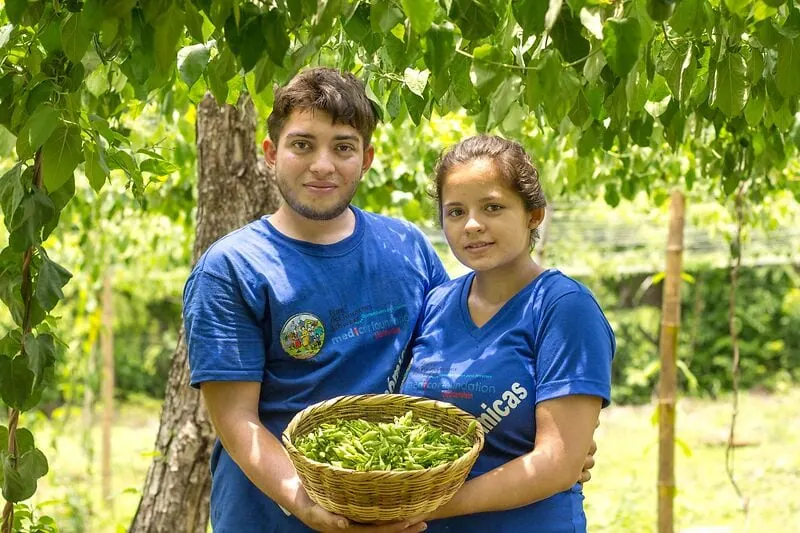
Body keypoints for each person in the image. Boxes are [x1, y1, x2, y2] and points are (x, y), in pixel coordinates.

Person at [183, 67, 596, 533]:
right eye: (302, 144)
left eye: (343, 146)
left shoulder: (406, 247)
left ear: (367, 158)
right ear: (270, 154)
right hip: (272, 518)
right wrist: (310, 507)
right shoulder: (232, 267)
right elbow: (236, 420)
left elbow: (455, 360)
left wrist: (553, 450)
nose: (323, 164)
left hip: (391, 508)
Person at [399, 135, 615, 532]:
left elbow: (558, 463)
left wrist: (427, 506)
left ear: (534, 214)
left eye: (493, 207)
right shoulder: (436, 305)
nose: (473, 225)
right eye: (456, 212)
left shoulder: (563, 308)